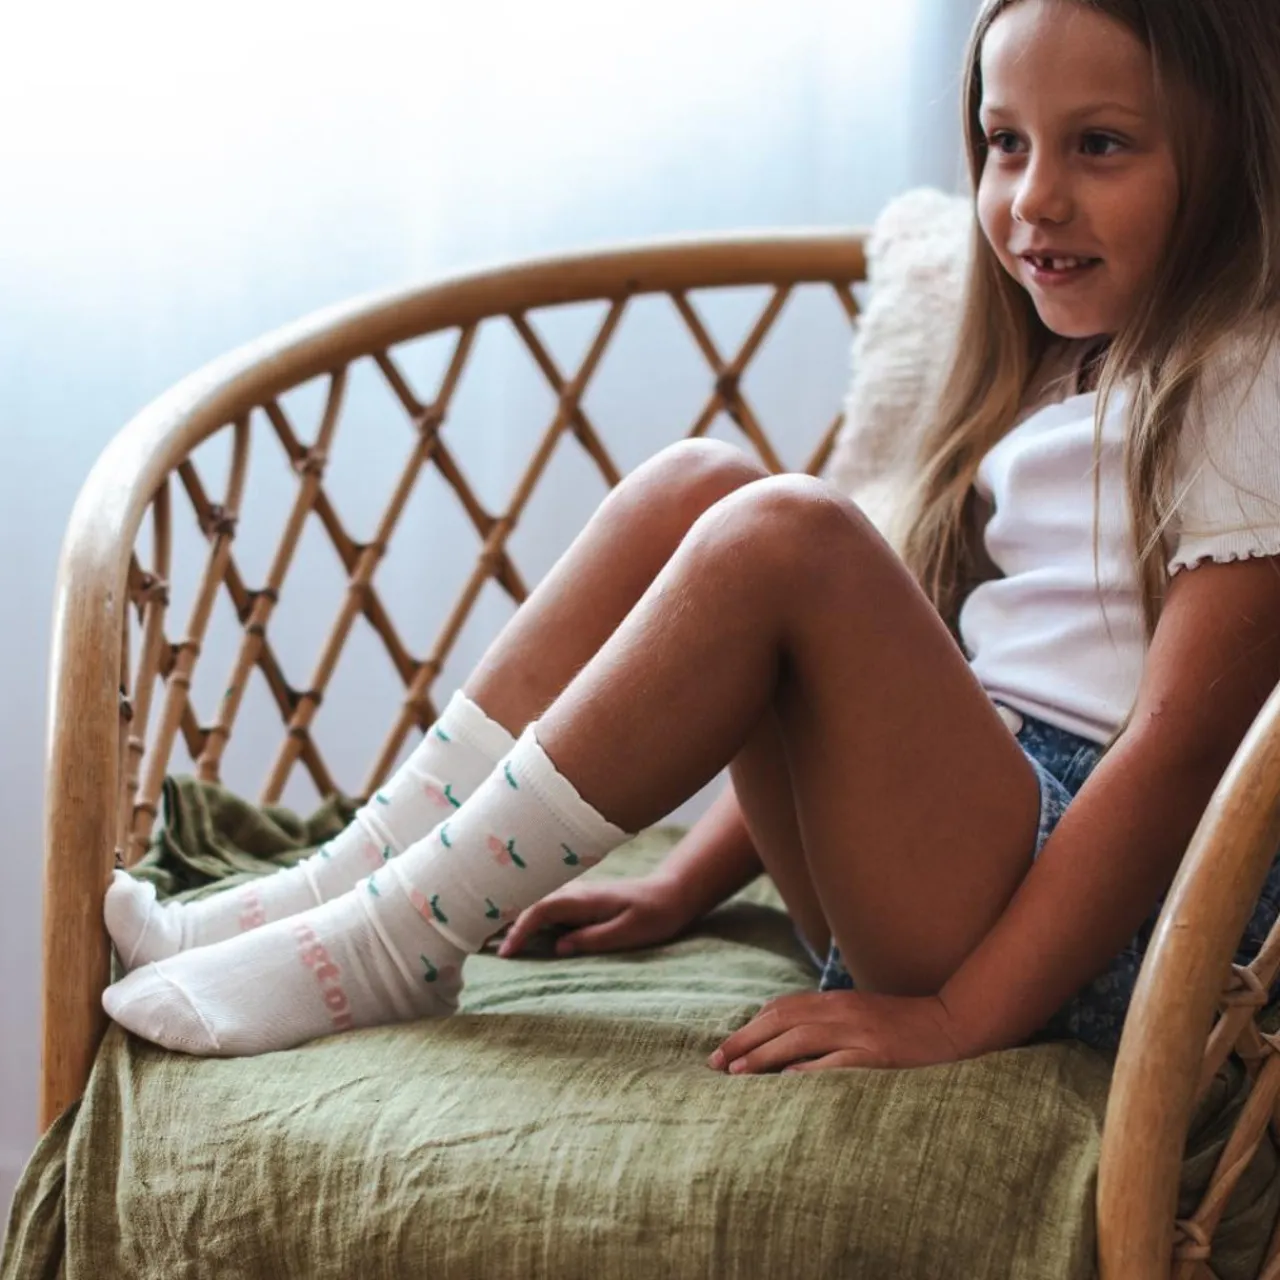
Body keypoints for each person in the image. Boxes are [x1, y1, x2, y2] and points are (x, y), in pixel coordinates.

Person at [102, 0, 1280, 1070]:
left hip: (1124, 932)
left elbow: (1175, 758)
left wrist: (953, 1017)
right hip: (968, 861)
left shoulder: (1246, 379)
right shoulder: (1072, 368)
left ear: (1229, 150)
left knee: (788, 532)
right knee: (699, 486)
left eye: (1099, 145)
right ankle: (355, 876)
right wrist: (682, 880)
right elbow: (885, 714)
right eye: (1004, 142)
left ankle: (386, 939)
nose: (1032, 199)